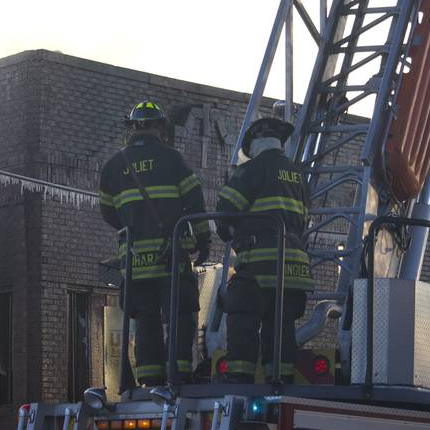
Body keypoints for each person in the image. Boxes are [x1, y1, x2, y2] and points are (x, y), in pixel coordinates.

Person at [99, 100, 210, 386]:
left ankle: (150, 378)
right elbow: (194, 202)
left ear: (132, 128)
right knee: (181, 313)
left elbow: (108, 212)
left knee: (145, 318)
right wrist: (203, 238)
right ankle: (178, 373)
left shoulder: (114, 166)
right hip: (170, 257)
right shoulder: (172, 159)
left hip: (134, 262)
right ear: (160, 127)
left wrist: (133, 229)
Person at [215, 117, 313, 383]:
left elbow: (225, 213)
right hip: (293, 269)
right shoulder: (298, 175)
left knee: (242, 318)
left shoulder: (251, 171)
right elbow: (303, 220)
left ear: (255, 145)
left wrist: (230, 232)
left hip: (259, 265)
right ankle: (278, 382)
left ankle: (240, 381)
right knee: (280, 327)